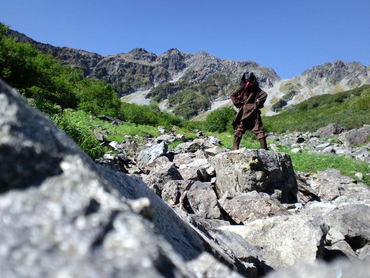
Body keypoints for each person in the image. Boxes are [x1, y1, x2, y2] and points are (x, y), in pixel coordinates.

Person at [230, 72, 268, 150]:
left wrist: (239, 104)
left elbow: (233, 95)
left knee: (240, 128)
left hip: (244, 110)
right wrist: (257, 105)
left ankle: (235, 147)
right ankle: (264, 148)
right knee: (258, 129)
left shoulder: (241, 87)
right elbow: (264, 95)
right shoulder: (255, 88)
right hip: (254, 110)